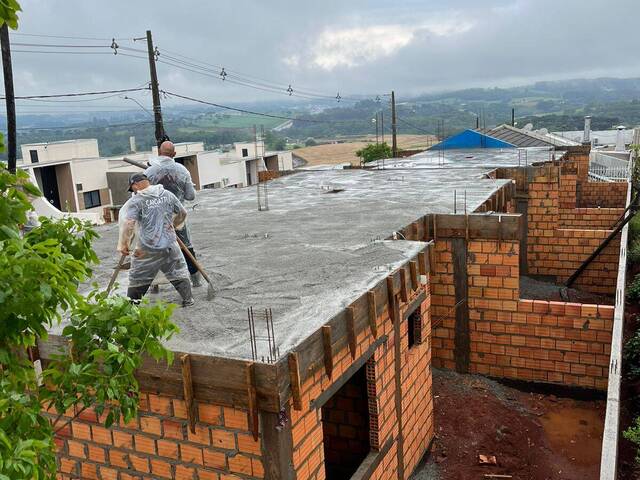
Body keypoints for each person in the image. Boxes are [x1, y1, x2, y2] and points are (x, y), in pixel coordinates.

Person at [117, 173, 194, 307]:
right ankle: (188, 300)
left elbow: (129, 224)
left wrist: (124, 244)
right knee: (178, 272)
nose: (133, 191)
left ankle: (131, 307)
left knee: (138, 278)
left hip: (147, 248)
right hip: (170, 245)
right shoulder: (167, 194)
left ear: (135, 185)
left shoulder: (137, 201)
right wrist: (174, 225)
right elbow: (183, 213)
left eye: (133, 188)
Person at [145, 140, 202, 287]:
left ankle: (154, 286)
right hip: (178, 217)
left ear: (159, 152)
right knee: (186, 247)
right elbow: (190, 196)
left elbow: (141, 197)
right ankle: (196, 280)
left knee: (155, 250)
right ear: (174, 154)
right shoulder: (182, 170)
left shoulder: (149, 173)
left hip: (156, 219)